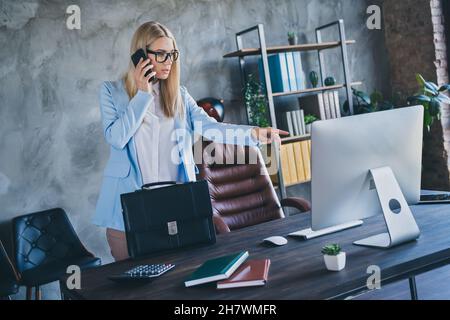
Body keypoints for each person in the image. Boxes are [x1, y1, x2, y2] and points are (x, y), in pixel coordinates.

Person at [92, 21, 288, 261]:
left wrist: (253, 134)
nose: (168, 62)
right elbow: (117, 138)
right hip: (128, 214)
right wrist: (142, 95)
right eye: (161, 54)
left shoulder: (179, 96)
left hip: (176, 209)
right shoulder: (111, 92)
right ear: (140, 55)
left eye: (172, 54)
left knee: (180, 281)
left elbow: (212, 128)